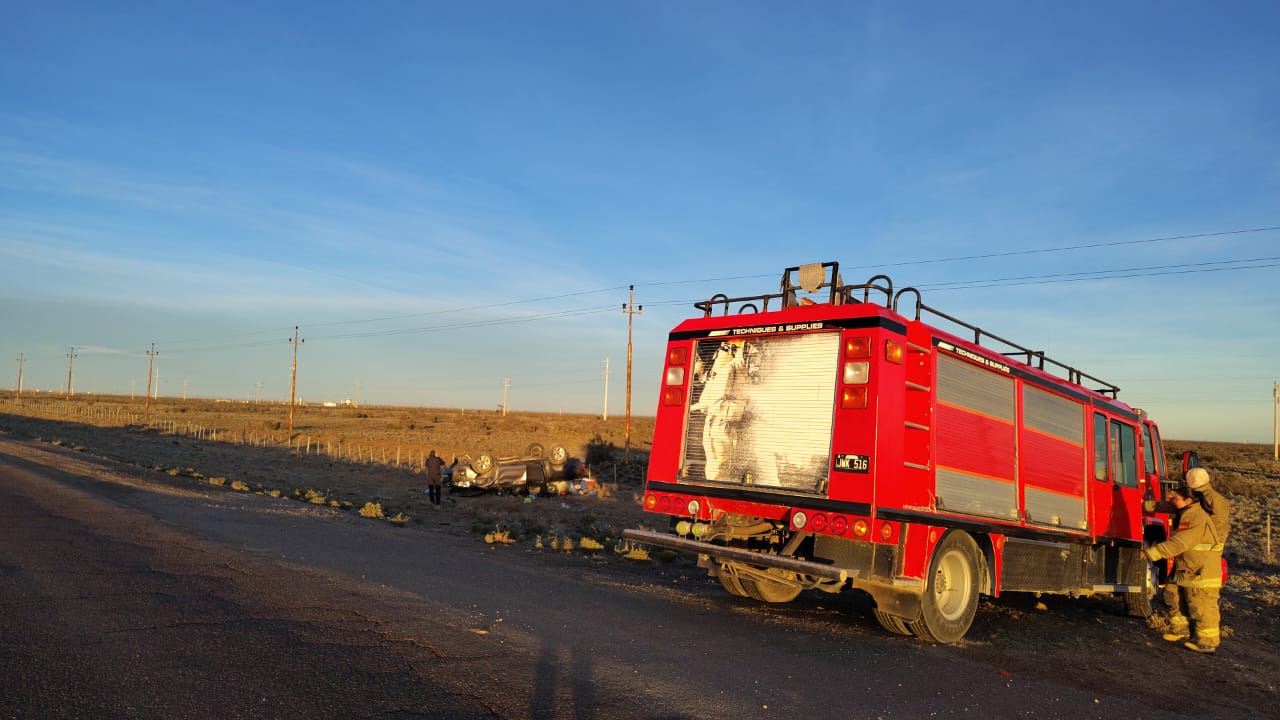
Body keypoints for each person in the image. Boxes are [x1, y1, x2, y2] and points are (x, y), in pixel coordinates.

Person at [1145, 468, 1230, 653]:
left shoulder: (1208, 505)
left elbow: (1218, 529)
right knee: (1172, 593)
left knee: (1202, 604)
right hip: (1186, 560)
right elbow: (1171, 505)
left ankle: (1207, 642)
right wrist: (1146, 505)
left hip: (1201, 563)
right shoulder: (1191, 501)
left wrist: (1214, 548)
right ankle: (1180, 628)